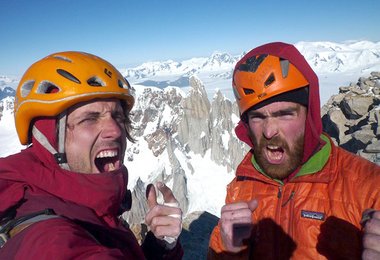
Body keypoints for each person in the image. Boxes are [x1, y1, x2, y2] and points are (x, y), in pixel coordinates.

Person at [0, 51, 183, 259]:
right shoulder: (51, 241)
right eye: (90, 118)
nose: (114, 130)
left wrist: (159, 248)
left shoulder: (79, 204)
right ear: (48, 136)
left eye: (118, 116)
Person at [208, 42, 380, 259]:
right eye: (258, 117)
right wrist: (229, 251)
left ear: (309, 117)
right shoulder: (242, 186)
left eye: (284, 114)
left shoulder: (370, 189)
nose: (269, 131)